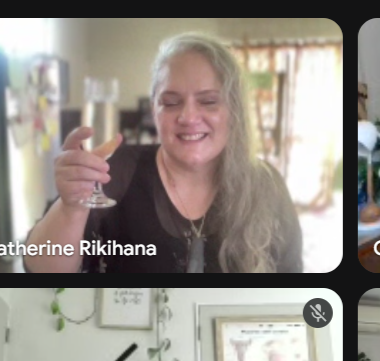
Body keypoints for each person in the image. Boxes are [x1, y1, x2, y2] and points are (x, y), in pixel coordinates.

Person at [25, 33, 301, 274]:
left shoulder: (267, 187)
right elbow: (41, 266)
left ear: (235, 111)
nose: (188, 116)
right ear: (154, 111)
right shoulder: (116, 172)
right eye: (170, 102)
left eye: (208, 101)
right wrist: (72, 208)